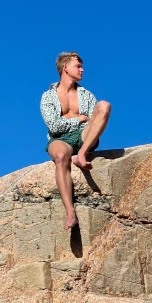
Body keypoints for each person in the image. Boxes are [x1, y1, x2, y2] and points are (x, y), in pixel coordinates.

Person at [40, 51, 111, 229]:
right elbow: (54, 127)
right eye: (78, 66)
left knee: (104, 106)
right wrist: (78, 119)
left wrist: (82, 122)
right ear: (65, 68)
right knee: (61, 157)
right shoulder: (48, 96)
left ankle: (81, 154)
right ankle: (70, 212)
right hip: (60, 139)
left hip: (83, 137)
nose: (82, 70)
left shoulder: (87, 95)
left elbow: (94, 121)